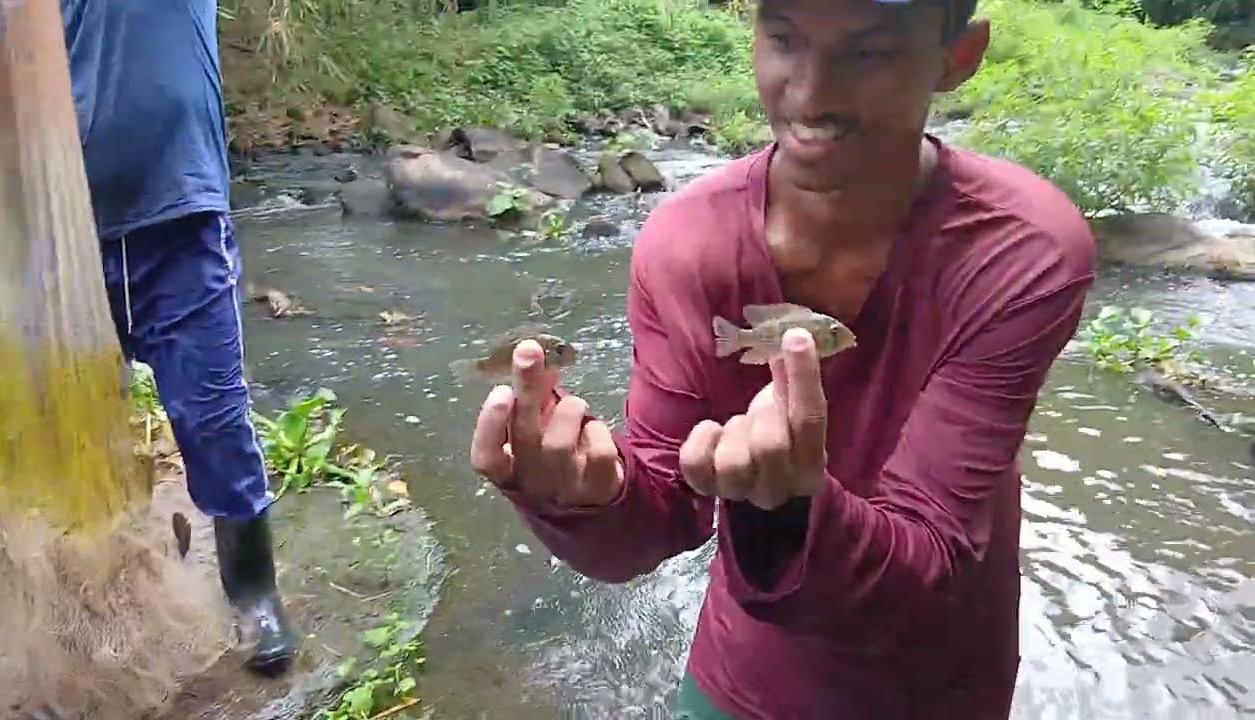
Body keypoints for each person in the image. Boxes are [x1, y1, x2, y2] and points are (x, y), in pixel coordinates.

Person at [468, 0, 1097, 716]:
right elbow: (655, 522)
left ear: (958, 57)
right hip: (744, 678)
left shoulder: (1020, 250)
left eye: (867, 52)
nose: (810, 95)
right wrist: (580, 496)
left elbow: (935, 552)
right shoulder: (686, 244)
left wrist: (799, 513)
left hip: (939, 683)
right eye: (784, 40)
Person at [59, 0, 298, 677]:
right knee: (67, 427)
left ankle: (254, 594)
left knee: (214, 417)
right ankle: (86, 586)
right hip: (60, 232)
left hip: (181, 218)